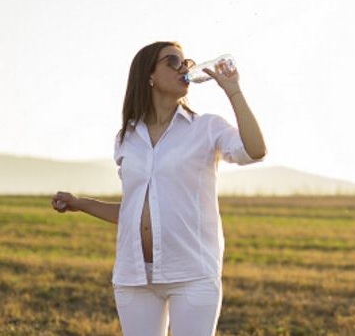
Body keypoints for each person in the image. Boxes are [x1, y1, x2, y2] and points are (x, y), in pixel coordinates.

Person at [51, 41, 266, 336]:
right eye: (173, 61)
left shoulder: (206, 128)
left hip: (191, 273)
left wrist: (233, 90)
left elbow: (255, 150)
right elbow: (134, 211)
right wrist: (79, 203)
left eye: (185, 62)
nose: (185, 67)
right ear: (149, 75)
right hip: (134, 276)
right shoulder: (126, 137)